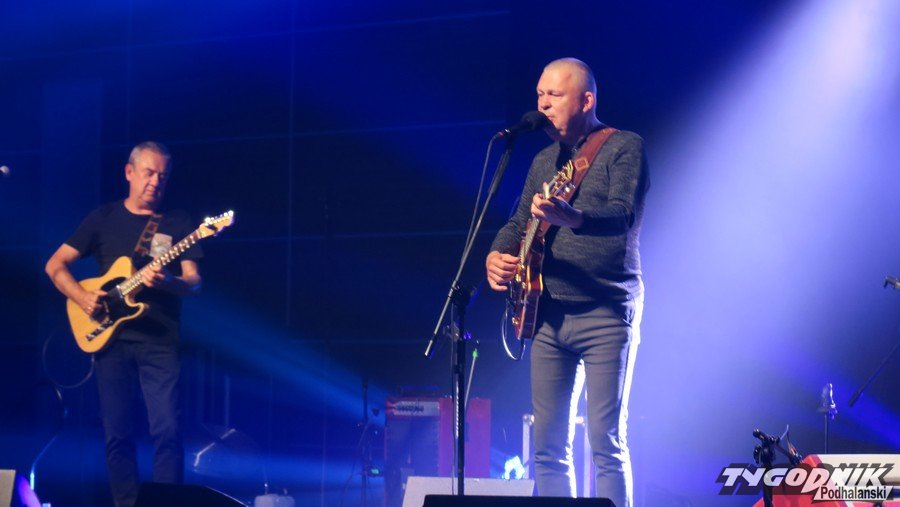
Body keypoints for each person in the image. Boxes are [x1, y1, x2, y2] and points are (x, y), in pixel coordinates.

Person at [486, 58, 649, 507]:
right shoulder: (543, 160)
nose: (542, 104)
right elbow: (517, 223)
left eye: (554, 95)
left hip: (606, 311)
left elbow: (622, 214)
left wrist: (572, 217)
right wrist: (495, 255)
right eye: (539, 94)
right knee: (548, 447)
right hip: (547, 315)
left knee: (605, 443)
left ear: (586, 100)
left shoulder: (624, 146)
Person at [45, 141, 202, 507]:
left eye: (163, 176)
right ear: (129, 172)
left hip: (160, 340)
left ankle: (166, 504)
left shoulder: (178, 222)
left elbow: (194, 282)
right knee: (117, 434)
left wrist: (169, 282)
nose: (156, 182)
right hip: (110, 340)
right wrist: (81, 297)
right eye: (149, 173)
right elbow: (54, 265)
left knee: (168, 430)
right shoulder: (103, 218)